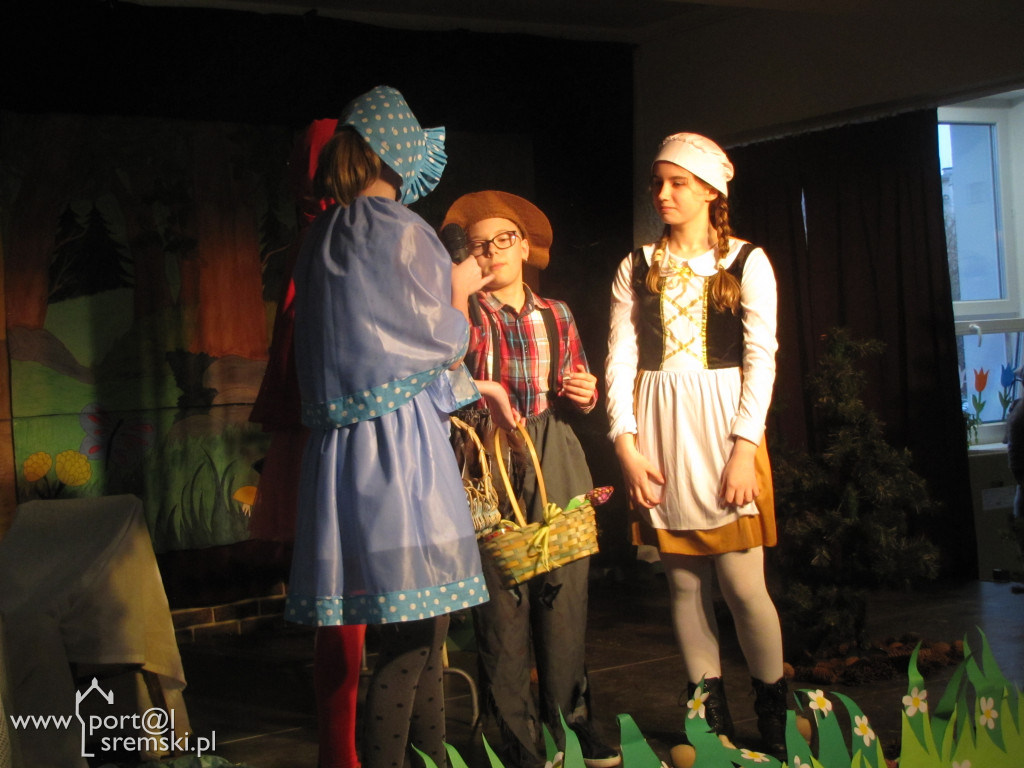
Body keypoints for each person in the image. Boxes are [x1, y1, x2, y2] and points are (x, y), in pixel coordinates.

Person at [284, 85, 494, 768]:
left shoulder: (321, 238)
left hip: (345, 459)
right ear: (393, 153)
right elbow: (438, 338)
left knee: (420, 632)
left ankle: (429, 758)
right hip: (399, 453)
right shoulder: (402, 230)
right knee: (412, 638)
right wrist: (460, 293)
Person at [604, 133, 788, 760]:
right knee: (683, 585)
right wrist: (625, 444)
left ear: (711, 190)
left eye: (677, 182)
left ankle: (775, 712)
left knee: (743, 586)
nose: (663, 194)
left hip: (725, 429)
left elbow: (761, 359)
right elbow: (620, 359)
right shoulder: (636, 266)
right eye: (658, 182)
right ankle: (709, 721)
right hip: (660, 432)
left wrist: (744, 447)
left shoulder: (746, 261)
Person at [440, 191, 621, 768]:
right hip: (486, 453)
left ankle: (572, 723)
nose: (493, 252)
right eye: (479, 245)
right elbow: (446, 376)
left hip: (552, 447)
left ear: (524, 247)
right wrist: (456, 295)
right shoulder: (464, 310)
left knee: (564, 591)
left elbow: (577, 382)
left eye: (504, 240)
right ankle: (516, 740)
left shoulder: (556, 313)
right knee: (501, 601)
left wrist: (585, 392)